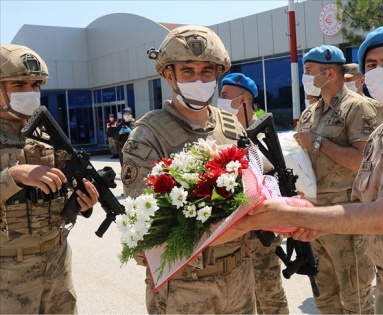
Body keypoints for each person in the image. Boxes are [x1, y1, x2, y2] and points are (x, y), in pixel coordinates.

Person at [231, 25, 383, 314]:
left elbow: (382, 216)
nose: (379, 71)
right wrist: (314, 220)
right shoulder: (380, 136)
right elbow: (360, 201)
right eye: (372, 65)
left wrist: (287, 213)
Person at [121, 25, 254, 314]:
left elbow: (259, 187)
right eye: (188, 71)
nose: (199, 79)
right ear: (170, 75)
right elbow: (147, 226)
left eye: (207, 71)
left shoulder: (232, 126)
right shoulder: (148, 135)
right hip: (183, 285)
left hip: (239, 277)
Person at [0, 44, 99, 313]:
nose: (29, 92)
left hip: (56, 261)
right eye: (19, 84)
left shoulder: (42, 135)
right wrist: (12, 177)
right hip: (8, 271)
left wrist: (82, 201)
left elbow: (58, 192)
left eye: (35, 84)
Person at [295, 44, 383, 314]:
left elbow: (362, 161)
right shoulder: (311, 112)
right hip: (315, 214)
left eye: (309, 71)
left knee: (357, 298)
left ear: (329, 74)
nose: (305, 77)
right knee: (324, 295)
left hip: (347, 215)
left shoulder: (358, 108)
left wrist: (319, 142)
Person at [218, 73, 289, 314]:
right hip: (230, 233)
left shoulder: (260, 133)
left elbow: (275, 173)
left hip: (260, 230)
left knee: (269, 294)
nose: (220, 101)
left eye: (226, 96)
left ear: (244, 100)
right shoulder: (219, 131)